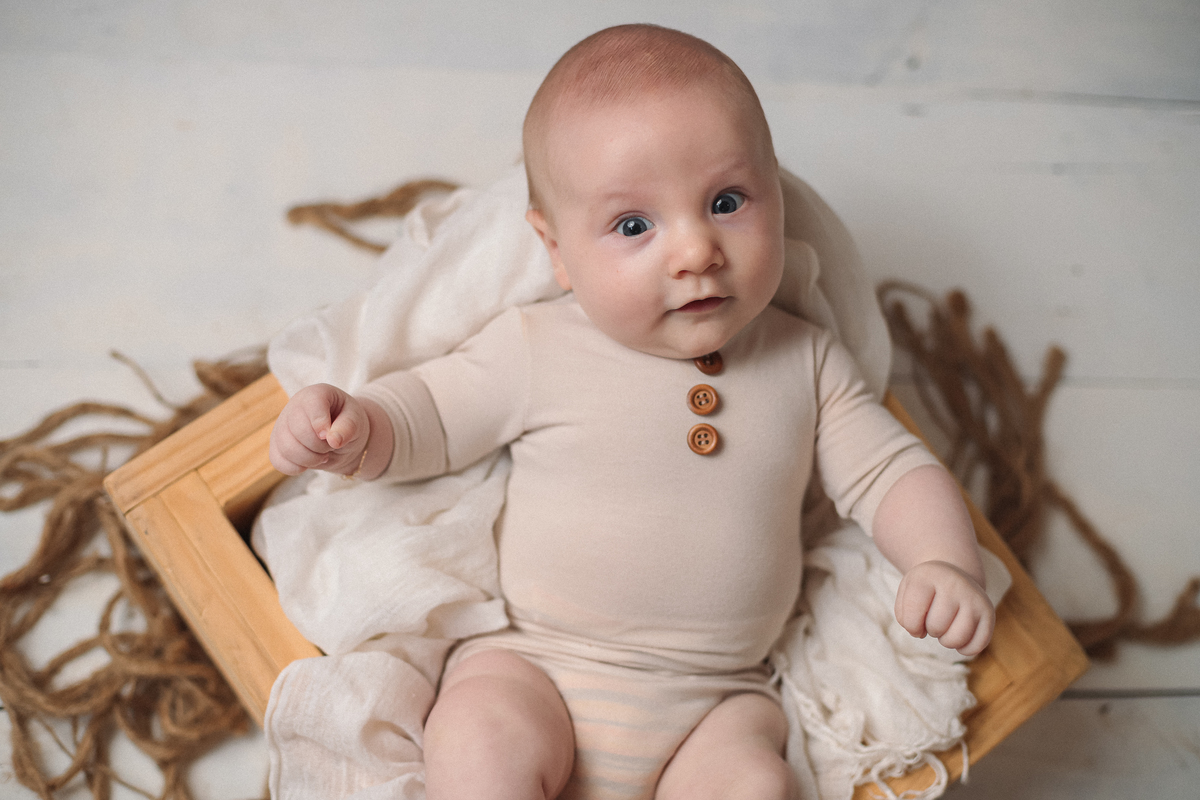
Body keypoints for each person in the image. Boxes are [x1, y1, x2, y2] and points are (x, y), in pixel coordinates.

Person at [268, 24, 994, 800]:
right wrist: (356, 427)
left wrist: (943, 561)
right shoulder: (538, 345)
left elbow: (891, 473)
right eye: (634, 225)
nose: (695, 252)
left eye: (726, 203)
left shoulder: (807, 362)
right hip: (535, 666)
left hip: (717, 702)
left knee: (755, 784)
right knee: (478, 741)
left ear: (778, 199)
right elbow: (434, 419)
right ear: (556, 250)